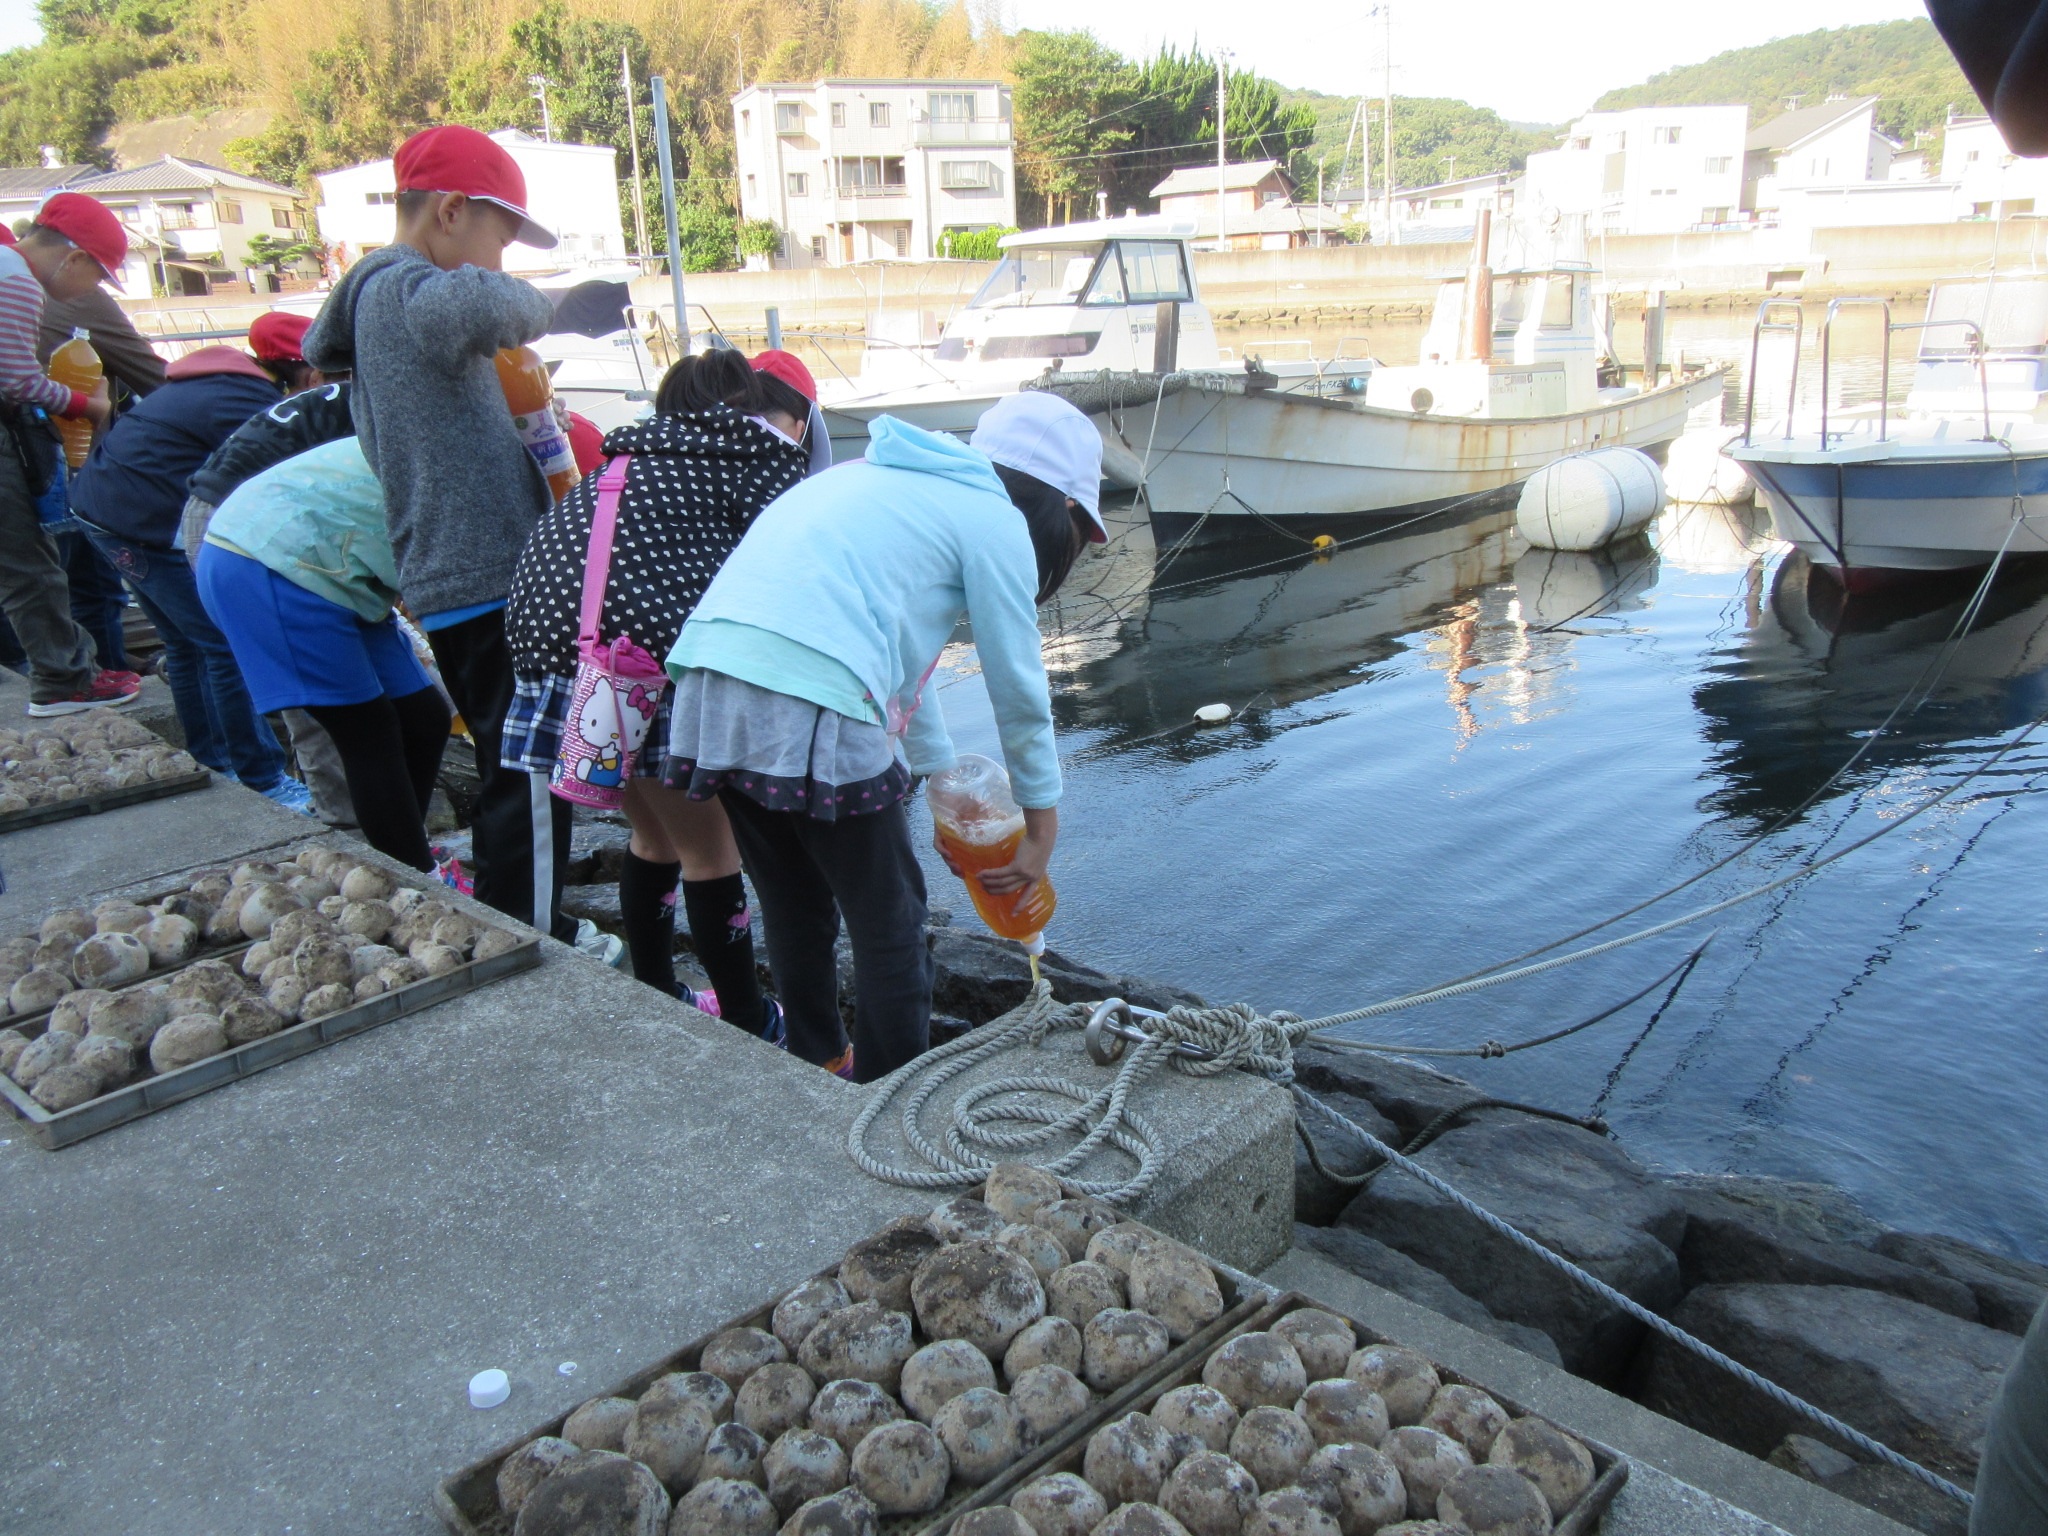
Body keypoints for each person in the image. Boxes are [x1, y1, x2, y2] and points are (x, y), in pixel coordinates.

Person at [661, 391, 1105, 1082]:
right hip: (815, 693)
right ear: (1066, 509)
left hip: (709, 684)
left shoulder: (872, 477)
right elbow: (1019, 690)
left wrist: (938, 781)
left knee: (793, 900)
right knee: (892, 924)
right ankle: (889, 1097)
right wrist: (1042, 827)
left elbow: (904, 666)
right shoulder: (993, 519)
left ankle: (820, 1058)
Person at [303, 124, 587, 946]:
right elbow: (480, 303)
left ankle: (513, 921)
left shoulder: (379, 311)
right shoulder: (400, 289)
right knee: (531, 769)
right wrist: (562, 304)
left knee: (511, 761)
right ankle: (531, 942)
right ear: (453, 212)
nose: (500, 262)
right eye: (499, 238)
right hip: (483, 571)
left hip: (458, 572)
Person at [505, 349, 819, 1033]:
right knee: (714, 849)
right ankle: (747, 1017)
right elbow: (790, 572)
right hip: (641, 660)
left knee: (655, 835)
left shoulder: (625, 460)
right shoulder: (749, 455)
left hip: (561, 657)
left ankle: (655, 989)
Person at [69, 342, 311, 808]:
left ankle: (211, 759)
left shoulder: (211, 383)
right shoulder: (247, 402)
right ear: (303, 374)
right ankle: (262, 776)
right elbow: (286, 480)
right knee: (223, 642)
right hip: (138, 523)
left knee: (185, 644)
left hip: (101, 509)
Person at [196, 437, 450, 869]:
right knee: (368, 732)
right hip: (270, 560)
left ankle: (405, 850)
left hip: (339, 566)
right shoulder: (462, 458)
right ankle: (416, 878)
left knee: (424, 717)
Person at [182, 311, 359, 827]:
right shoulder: (369, 409)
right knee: (313, 694)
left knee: (369, 687)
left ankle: (376, 822)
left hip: (234, 520)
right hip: (237, 533)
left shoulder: (335, 398)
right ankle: (344, 827)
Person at [0, 192, 139, 716]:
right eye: (99, 277)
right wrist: (90, 405)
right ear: (74, 257)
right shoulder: (16, 279)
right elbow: (15, 381)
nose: (93, 290)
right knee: (30, 565)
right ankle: (64, 682)